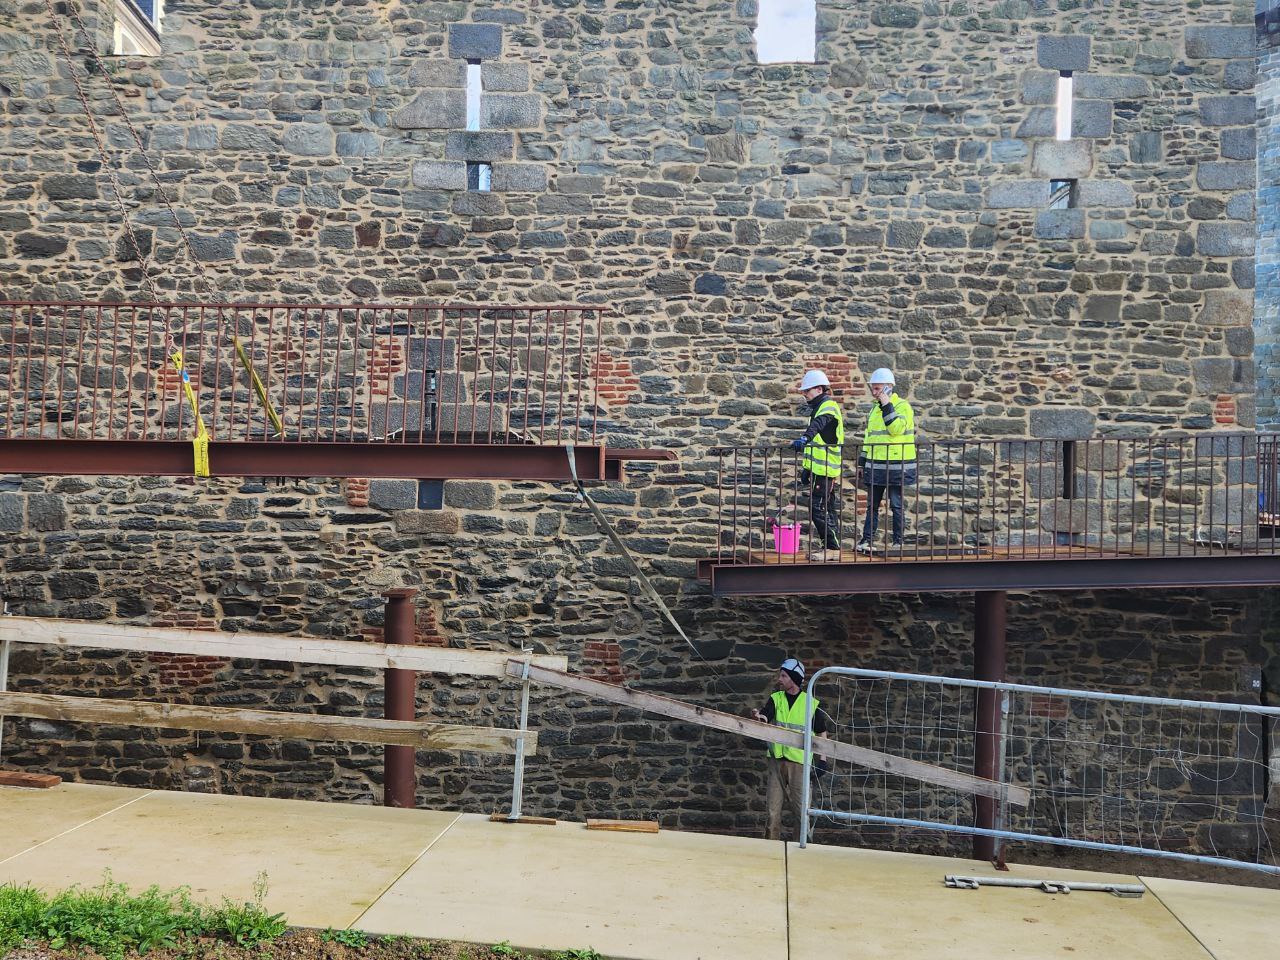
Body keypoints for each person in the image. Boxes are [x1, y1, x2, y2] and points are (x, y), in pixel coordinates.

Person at [751, 657, 831, 842]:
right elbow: (766, 714)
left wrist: (823, 761)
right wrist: (759, 717)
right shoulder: (776, 698)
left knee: (802, 812)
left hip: (800, 763)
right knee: (772, 812)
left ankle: (801, 851)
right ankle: (771, 848)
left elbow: (821, 733)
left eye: (784, 676)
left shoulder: (810, 703)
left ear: (793, 679)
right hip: (776, 760)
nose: (780, 679)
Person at [857, 368, 916, 553]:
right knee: (872, 506)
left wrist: (887, 405)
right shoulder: (874, 409)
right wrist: (862, 462)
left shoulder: (902, 406)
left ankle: (898, 542)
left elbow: (896, 429)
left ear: (888, 388)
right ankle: (866, 540)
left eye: (877, 389)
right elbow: (869, 437)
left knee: (896, 505)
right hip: (876, 465)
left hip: (897, 467)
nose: (874, 393)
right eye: (873, 389)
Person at [790, 369, 844, 562]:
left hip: (826, 469)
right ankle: (831, 548)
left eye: (807, 391)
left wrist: (804, 437)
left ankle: (831, 548)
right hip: (820, 469)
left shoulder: (828, 407)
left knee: (817, 509)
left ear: (819, 389)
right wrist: (807, 469)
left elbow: (818, 427)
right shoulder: (819, 407)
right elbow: (818, 443)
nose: (805, 394)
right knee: (827, 508)